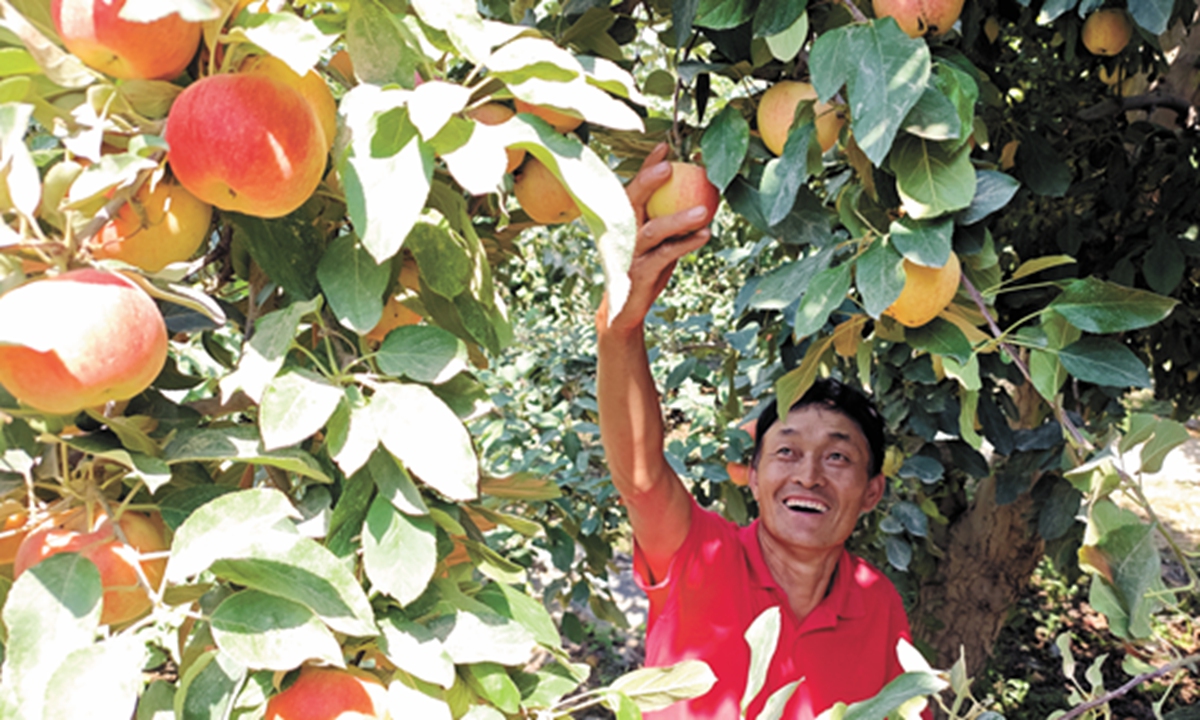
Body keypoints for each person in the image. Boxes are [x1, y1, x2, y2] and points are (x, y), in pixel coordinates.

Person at [596, 143, 915, 719]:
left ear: (872, 492)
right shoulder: (700, 557)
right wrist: (620, 327)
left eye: (838, 458)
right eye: (787, 451)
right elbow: (641, 478)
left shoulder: (878, 605)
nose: (809, 476)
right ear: (752, 475)